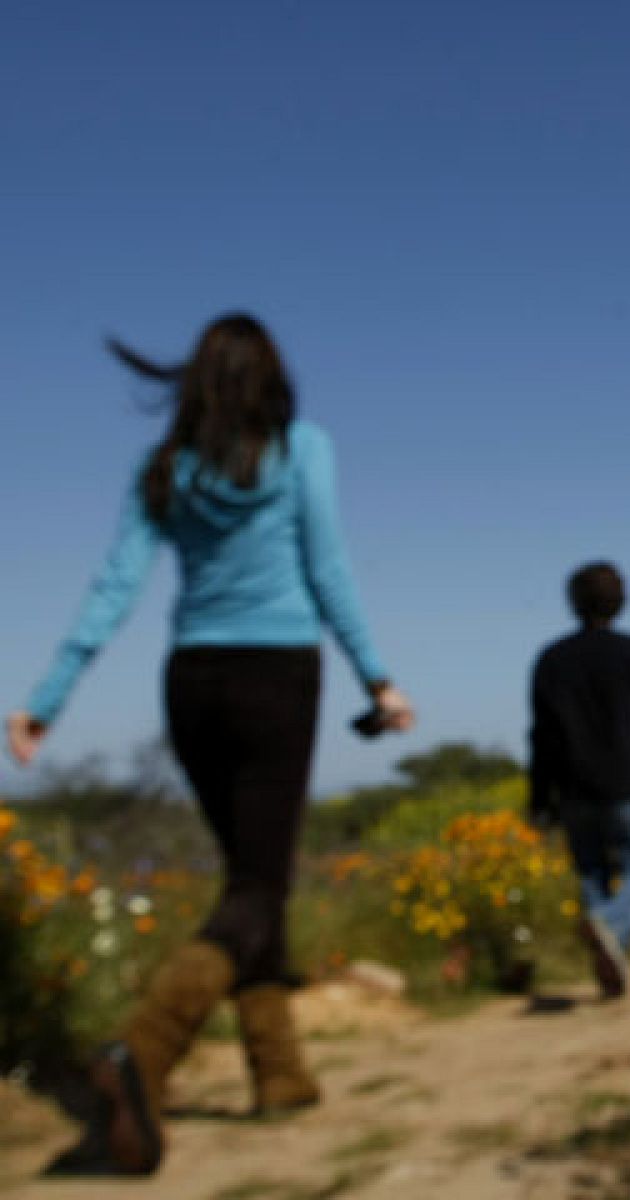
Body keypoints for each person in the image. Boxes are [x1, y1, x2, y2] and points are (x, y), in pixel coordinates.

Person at [5, 313, 414, 1176]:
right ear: (272, 378)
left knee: (248, 882)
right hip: (277, 677)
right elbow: (329, 568)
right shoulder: (303, 449)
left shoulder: (166, 468)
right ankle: (142, 1052)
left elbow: (116, 581)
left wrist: (47, 698)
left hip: (191, 682)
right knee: (261, 886)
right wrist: (379, 678)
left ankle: (282, 1074)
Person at [528, 562, 630, 998]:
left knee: (593, 874)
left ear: (572, 603)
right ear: (622, 600)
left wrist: (539, 797)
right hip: (627, 784)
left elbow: (540, 735)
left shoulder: (551, 659)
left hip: (573, 790)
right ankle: (609, 926)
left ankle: (609, 965)